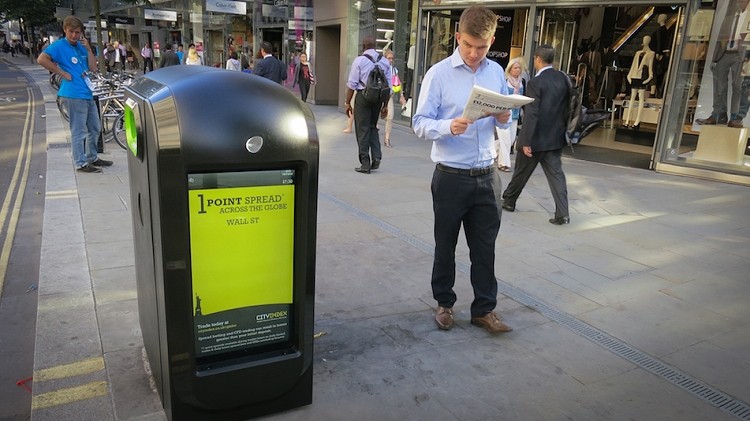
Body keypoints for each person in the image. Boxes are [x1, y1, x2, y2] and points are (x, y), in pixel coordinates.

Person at [412, 5, 513, 334]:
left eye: (482, 47)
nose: (473, 53)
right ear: (458, 37)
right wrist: (447, 126)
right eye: (468, 45)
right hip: (451, 176)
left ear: (491, 41)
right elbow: (419, 123)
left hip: (486, 175)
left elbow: (507, 114)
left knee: (485, 248)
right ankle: (444, 303)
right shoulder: (438, 74)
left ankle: (484, 309)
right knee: (445, 245)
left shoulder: (495, 73)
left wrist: (504, 116)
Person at [501, 44, 571, 226]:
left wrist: (525, 141)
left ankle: (508, 201)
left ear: (538, 59)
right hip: (554, 139)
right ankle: (562, 214)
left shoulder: (535, 83)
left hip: (534, 139)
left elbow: (532, 113)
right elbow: (567, 108)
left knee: (521, 172)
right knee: (557, 175)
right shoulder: (563, 79)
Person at [37, 16, 113, 173]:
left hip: (87, 93)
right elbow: (41, 59)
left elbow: (93, 68)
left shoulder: (81, 46)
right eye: (71, 32)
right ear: (65, 30)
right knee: (79, 131)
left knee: (95, 128)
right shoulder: (58, 46)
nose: (74, 36)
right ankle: (81, 163)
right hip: (72, 94)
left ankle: (92, 157)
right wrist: (62, 73)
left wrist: (89, 50)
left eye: (77, 32)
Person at [697, 0, 750, 128]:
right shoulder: (730, 16)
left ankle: (736, 117)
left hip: (742, 54)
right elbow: (721, 37)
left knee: (740, 86)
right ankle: (718, 115)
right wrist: (714, 58)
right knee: (719, 85)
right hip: (724, 53)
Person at [345, 35, 392, 174]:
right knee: (372, 126)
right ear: (375, 45)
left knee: (362, 129)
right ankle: (376, 157)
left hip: (363, 97)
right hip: (378, 98)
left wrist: (348, 103)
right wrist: (384, 105)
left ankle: (365, 163)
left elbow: (352, 84)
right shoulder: (384, 61)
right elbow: (387, 86)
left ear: (363, 46)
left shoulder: (359, 61)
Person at [496, 57, 526, 172]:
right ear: (510, 69)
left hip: (515, 114)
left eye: (519, 68)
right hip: (503, 114)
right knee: (506, 139)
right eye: (515, 68)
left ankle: (491, 150)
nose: (517, 70)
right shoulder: (504, 80)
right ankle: (504, 164)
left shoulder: (522, 82)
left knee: (511, 138)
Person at [623, 35, 655, 129]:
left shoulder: (651, 53)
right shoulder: (638, 53)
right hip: (635, 76)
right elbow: (634, 65)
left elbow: (650, 66)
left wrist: (650, 76)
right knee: (632, 97)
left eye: (646, 40)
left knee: (641, 97)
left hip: (642, 77)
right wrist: (629, 75)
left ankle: (637, 121)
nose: (645, 41)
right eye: (644, 39)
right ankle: (628, 119)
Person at [383, 49, 406, 147]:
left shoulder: (393, 69)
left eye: (392, 58)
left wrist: (401, 95)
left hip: (389, 96)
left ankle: (387, 139)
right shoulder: (381, 68)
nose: (391, 60)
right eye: (389, 58)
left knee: (390, 117)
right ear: (384, 58)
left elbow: (398, 82)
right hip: (380, 96)